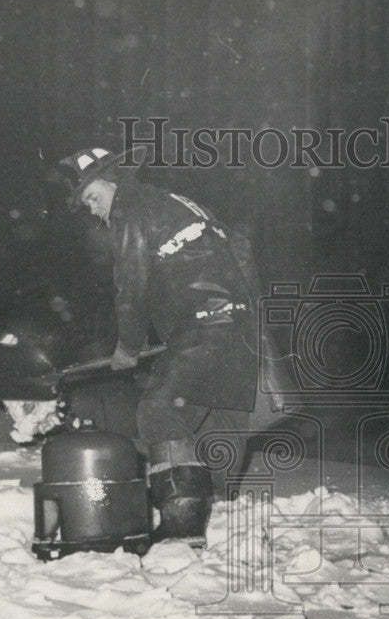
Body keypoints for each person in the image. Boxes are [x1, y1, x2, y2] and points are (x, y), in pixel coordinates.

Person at [59, 147, 263, 541]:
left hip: (203, 324)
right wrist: (243, 313)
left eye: (93, 198)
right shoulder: (176, 201)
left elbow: (131, 287)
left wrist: (128, 347)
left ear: (111, 182)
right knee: (220, 421)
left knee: (157, 411)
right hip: (239, 324)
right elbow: (242, 251)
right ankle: (217, 515)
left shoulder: (130, 209)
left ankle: (181, 527)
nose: (94, 210)